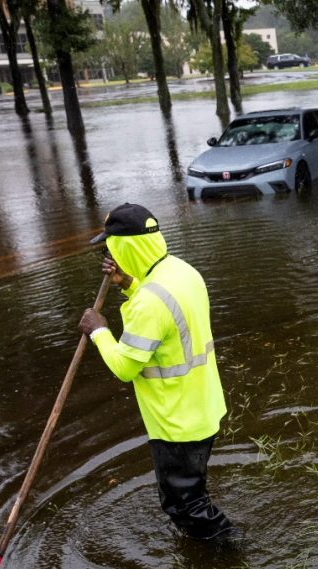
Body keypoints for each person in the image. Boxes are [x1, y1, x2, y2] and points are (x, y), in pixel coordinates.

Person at [78, 203, 238, 541]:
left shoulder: (148, 303)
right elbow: (166, 321)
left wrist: (98, 331)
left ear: (127, 246)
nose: (109, 252)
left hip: (175, 421)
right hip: (203, 406)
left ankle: (231, 552)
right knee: (192, 494)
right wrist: (129, 284)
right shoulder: (181, 271)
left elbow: (124, 367)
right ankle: (216, 554)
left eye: (111, 245)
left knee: (184, 505)